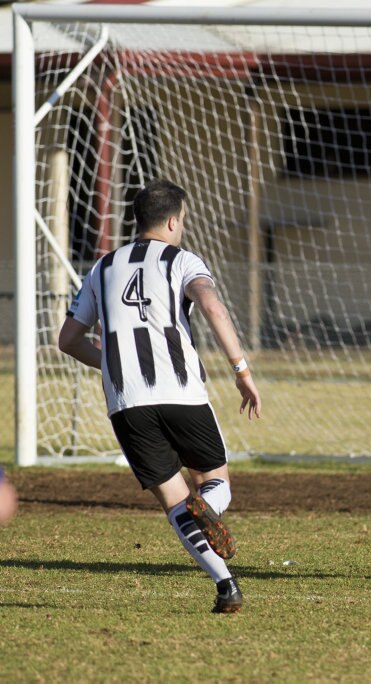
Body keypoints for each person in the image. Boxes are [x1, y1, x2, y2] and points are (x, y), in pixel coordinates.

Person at [58, 179, 261, 613]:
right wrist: (241, 370)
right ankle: (207, 506)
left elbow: (69, 339)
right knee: (214, 481)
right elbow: (212, 306)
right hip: (180, 391)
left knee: (173, 502)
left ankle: (226, 585)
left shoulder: (102, 268)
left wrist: (112, 364)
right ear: (174, 220)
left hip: (125, 402)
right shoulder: (183, 259)